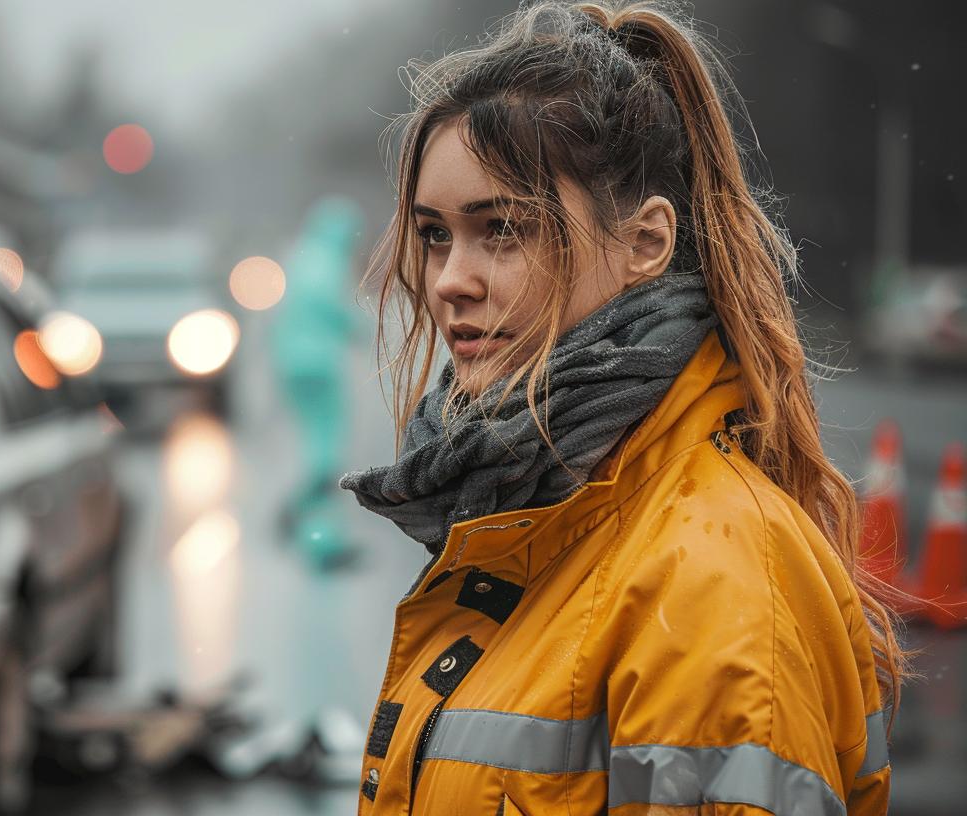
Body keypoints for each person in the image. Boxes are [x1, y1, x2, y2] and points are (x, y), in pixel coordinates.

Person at [339, 3, 904, 813]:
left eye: (502, 229)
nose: (447, 280)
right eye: (435, 235)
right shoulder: (530, 512)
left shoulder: (712, 581)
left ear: (645, 243)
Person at [270, 195, 366, 570]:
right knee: (325, 452)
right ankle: (320, 536)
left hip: (291, 362)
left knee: (312, 443)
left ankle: (315, 532)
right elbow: (326, 304)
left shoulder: (300, 256)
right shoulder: (327, 262)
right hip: (320, 364)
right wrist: (358, 327)